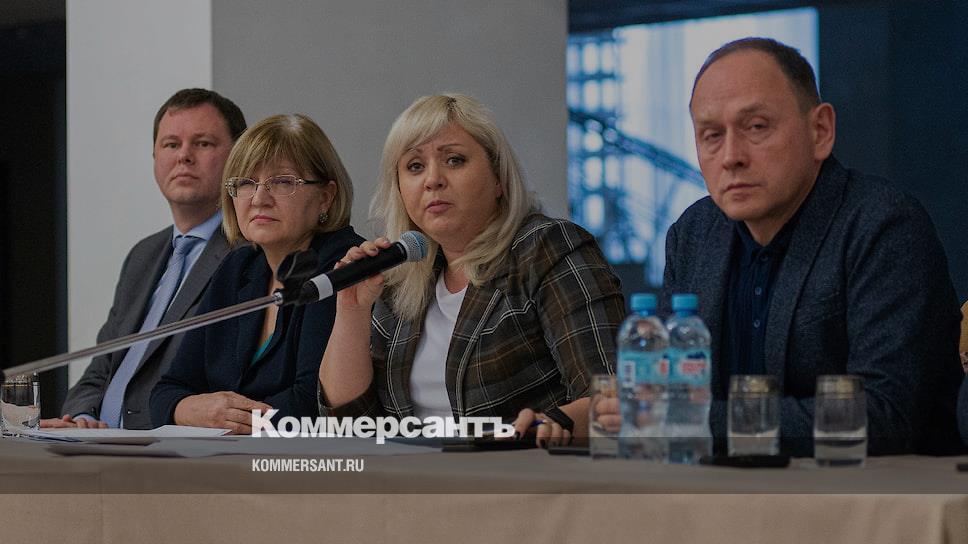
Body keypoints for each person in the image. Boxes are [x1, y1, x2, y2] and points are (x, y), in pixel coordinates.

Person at [662, 37, 963, 455]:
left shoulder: (883, 225)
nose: (731, 156)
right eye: (711, 135)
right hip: (718, 485)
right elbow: (663, 393)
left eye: (756, 127)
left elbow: (883, 416)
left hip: (872, 489)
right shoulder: (693, 234)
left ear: (820, 131)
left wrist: (694, 421)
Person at [317, 94, 625, 447]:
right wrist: (352, 310)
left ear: (498, 179)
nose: (433, 179)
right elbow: (348, 427)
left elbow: (611, 399)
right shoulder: (400, 277)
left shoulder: (545, 248)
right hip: (410, 476)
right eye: (415, 166)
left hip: (520, 472)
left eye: (454, 160)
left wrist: (552, 423)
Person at [43, 88, 245, 430]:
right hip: (103, 447)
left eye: (203, 143)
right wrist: (82, 418)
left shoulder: (248, 253)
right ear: (155, 157)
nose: (184, 156)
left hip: (176, 450)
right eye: (171, 144)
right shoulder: (143, 255)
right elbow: (101, 368)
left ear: (238, 156)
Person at [150, 114, 363, 434]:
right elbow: (167, 390)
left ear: (325, 196)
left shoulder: (344, 265)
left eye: (283, 182)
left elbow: (312, 405)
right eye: (245, 183)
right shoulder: (238, 268)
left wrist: (227, 420)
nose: (259, 199)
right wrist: (188, 409)